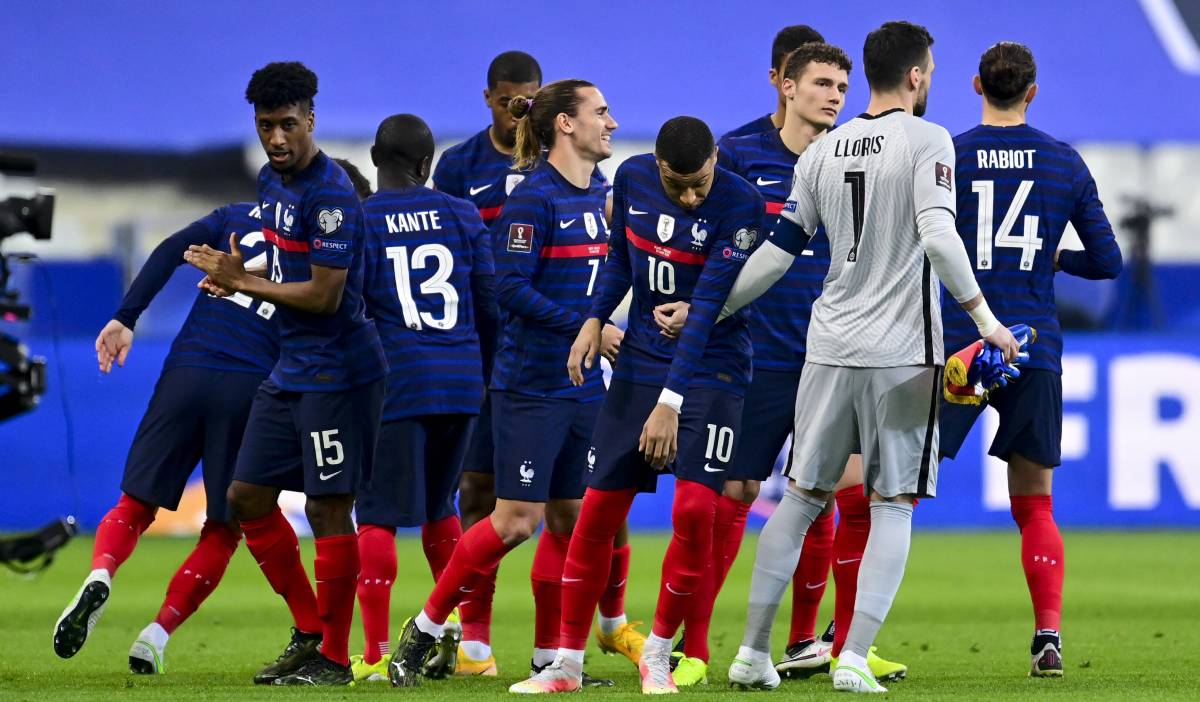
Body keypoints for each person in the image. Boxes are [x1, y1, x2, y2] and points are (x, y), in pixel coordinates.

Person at [719, 21, 1018, 693]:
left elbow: (775, 254)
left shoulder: (821, 151)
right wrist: (986, 320)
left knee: (798, 500)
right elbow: (938, 236)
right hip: (901, 351)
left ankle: (751, 653)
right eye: (931, 72)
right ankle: (851, 656)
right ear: (916, 77)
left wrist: (711, 310)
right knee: (891, 505)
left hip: (826, 346)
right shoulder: (928, 139)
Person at [509, 115, 765, 694]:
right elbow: (622, 263)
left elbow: (708, 309)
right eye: (679, 185)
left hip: (714, 369)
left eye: (700, 181)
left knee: (696, 513)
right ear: (657, 168)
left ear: (714, 165)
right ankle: (567, 665)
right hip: (640, 363)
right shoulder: (629, 180)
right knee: (595, 514)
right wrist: (593, 321)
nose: (692, 195)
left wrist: (670, 402)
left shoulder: (740, 204)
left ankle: (657, 652)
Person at [389, 79, 617, 688]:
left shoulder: (601, 194)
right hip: (531, 386)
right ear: (565, 125)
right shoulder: (533, 200)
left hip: (585, 388)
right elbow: (507, 288)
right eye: (600, 112)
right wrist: (587, 326)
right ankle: (427, 627)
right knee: (517, 520)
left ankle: (555, 660)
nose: (611, 123)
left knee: (574, 519)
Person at [183, 61, 386, 686]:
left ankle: (334, 657)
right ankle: (310, 630)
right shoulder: (272, 183)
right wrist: (239, 275)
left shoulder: (331, 195)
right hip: (292, 367)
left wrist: (247, 281)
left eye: (288, 125)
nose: (277, 137)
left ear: (311, 120)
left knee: (329, 508)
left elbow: (326, 296)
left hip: (339, 371)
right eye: (267, 125)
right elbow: (282, 274)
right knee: (245, 498)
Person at [938, 41, 1121, 678]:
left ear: (976, 85)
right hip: (1033, 342)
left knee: (892, 490)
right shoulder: (1063, 162)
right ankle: (1047, 635)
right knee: (1035, 502)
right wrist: (1052, 258)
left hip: (957, 342)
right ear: (1033, 91)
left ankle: (844, 635)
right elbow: (1108, 262)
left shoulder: (949, 153)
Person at [52, 203, 277, 674]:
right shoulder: (320, 242)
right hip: (251, 382)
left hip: (188, 368)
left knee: (135, 503)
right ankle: (155, 636)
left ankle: (100, 572)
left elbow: (171, 249)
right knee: (223, 529)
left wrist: (126, 317)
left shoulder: (235, 215)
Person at [348, 113, 498, 683]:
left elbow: (352, 308)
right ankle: (457, 639)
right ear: (427, 164)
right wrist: (481, 372)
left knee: (378, 516)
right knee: (442, 512)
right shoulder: (461, 214)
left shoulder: (362, 220)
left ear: (373, 157)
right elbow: (488, 304)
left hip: (397, 383)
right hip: (461, 382)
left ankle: (374, 656)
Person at [720, 25, 825, 142]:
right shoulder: (733, 146)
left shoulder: (843, 145)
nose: (803, 84)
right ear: (774, 77)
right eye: (794, 71)